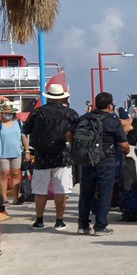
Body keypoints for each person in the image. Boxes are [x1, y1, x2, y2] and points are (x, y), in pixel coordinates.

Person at [68, 92, 130, 235]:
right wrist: (125, 151)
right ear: (110, 105)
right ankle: (100, 226)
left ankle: (82, 226)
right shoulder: (113, 121)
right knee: (104, 194)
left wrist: (78, 150)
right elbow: (124, 144)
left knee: (85, 194)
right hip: (106, 162)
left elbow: (69, 135)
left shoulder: (85, 118)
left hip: (86, 161)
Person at [22, 84, 79, 229]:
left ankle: (39, 220)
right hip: (63, 156)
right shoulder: (70, 113)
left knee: (40, 191)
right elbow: (76, 133)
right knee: (61, 190)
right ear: (62, 97)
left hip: (42, 155)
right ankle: (59, 221)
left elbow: (26, 129)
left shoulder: (36, 112)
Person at [0, 100, 28, 217]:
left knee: (16, 174)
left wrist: (26, 150)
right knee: (4, 175)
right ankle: (5, 198)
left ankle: (15, 198)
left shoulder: (19, 124)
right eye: (5, 112)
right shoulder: (0, 124)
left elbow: (24, 138)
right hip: (2, 153)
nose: (8, 114)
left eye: (9, 112)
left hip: (16, 153)